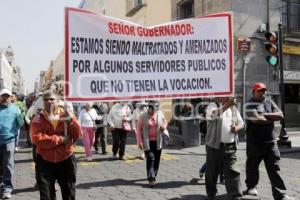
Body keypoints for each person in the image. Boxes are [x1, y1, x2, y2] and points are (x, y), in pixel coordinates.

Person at [244, 82, 294, 200]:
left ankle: (280, 194)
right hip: (254, 143)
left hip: (271, 142)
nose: (262, 93)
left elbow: (281, 115)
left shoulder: (269, 102)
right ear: (253, 92)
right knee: (252, 167)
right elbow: (257, 120)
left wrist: (264, 114)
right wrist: (271, 118)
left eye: (263, 91)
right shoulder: (249, 105)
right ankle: (251, 187)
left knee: (274, 168)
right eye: (259, 91)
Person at [30, 91, 82, 200]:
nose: (49, 101)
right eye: (46, 99)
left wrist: (71, 122)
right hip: (45, 160)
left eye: (52, 99)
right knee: (46, 194)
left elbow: (78, 134)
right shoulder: (38, 118)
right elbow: (36, 138)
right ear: (43, 102)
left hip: (66, 158)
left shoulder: (67, 116)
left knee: (68, 191)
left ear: (58, 101)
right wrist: (60, 139)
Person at [205, 97, 244, 200]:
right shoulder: (212, 105)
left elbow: (242, 123)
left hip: (230, 145)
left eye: (230, 94)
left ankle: (235, 195)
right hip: (215, 146)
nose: (229, 96)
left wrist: (237, 128)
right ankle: (211, 193)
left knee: (233, 171)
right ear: (220, 95)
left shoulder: (233, 108)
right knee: (212, 172)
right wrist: (227, 105)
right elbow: (213, 115)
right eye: (227, 94)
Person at [137, 100, 168, 187]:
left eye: (156, 109)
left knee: (157, 160)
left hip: (158, 141)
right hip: (148, 142)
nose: (154, 110)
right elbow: (139, 129)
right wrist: (139, 141)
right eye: (152, 109)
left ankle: (154, 174)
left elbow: (165, 121)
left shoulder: (160, 113)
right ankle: (151, 178)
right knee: (151, 158)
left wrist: (164, 126)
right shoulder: (143, 116)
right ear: (149, 108)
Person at [0, 89, 23, 199]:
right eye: (3, 96)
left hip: (9, 141)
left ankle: (7, 188)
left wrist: (12, 133)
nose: (5, 98)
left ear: (10, 98)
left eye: (7, 96)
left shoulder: (16, 109)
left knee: (8, 165)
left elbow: (20, 123)